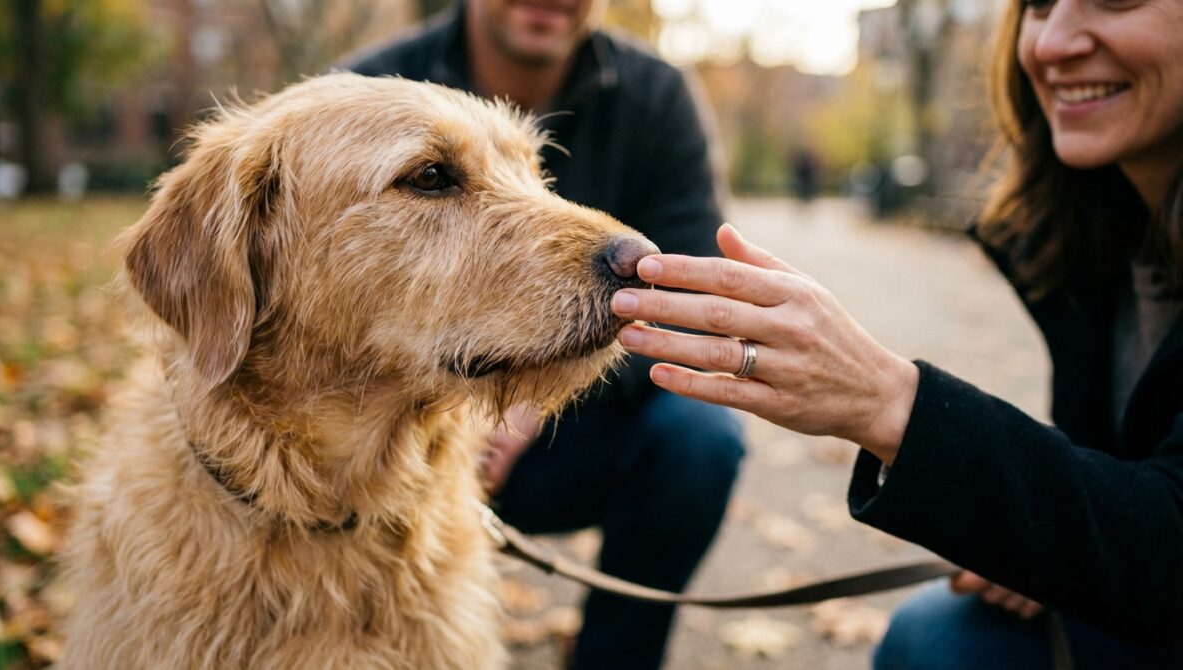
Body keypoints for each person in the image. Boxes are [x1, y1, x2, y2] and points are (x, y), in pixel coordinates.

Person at [608, 0, 1183, 666]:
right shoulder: (1096, 231)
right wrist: (1038, 544)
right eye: (1038, 5)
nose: (1052, 43)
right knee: (935, 636)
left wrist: (888, 401)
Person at [340, 2, 745, 668]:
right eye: (434, 177)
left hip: (567, 431)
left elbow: (691, 289)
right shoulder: (364, 95)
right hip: (394, 437)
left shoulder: (657, 96)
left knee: (700, 439)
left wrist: (525, 403)